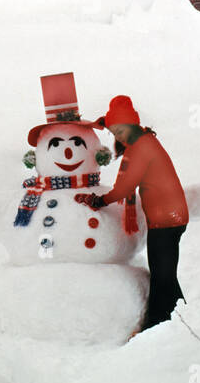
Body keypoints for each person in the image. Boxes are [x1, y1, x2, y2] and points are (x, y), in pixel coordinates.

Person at [76, 95, 189, 331]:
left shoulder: (141, 149)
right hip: (169, 218)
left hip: (166, 220)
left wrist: (99, 200)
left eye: (119, 131)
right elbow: (113, 123)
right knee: (164, 274)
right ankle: (180, 319)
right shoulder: (143, 138)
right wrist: (96, 123)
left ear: (130, 125)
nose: (117, 137)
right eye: (114, 132)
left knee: (162, 276)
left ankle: (158, 325)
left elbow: (125, 188)